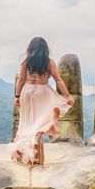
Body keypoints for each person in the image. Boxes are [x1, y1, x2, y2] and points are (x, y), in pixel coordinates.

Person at [8, 37, 74, 166]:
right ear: (45, 49)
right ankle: (36, 157)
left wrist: (17, 96)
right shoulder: (49, 62)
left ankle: (22, 155)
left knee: (26, 125)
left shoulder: (25, 62)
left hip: (27, 92)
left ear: (30, 49)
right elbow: (58, 79)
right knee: (38, 124)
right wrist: (67, 96)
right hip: (42, 91)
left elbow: (21, 80)